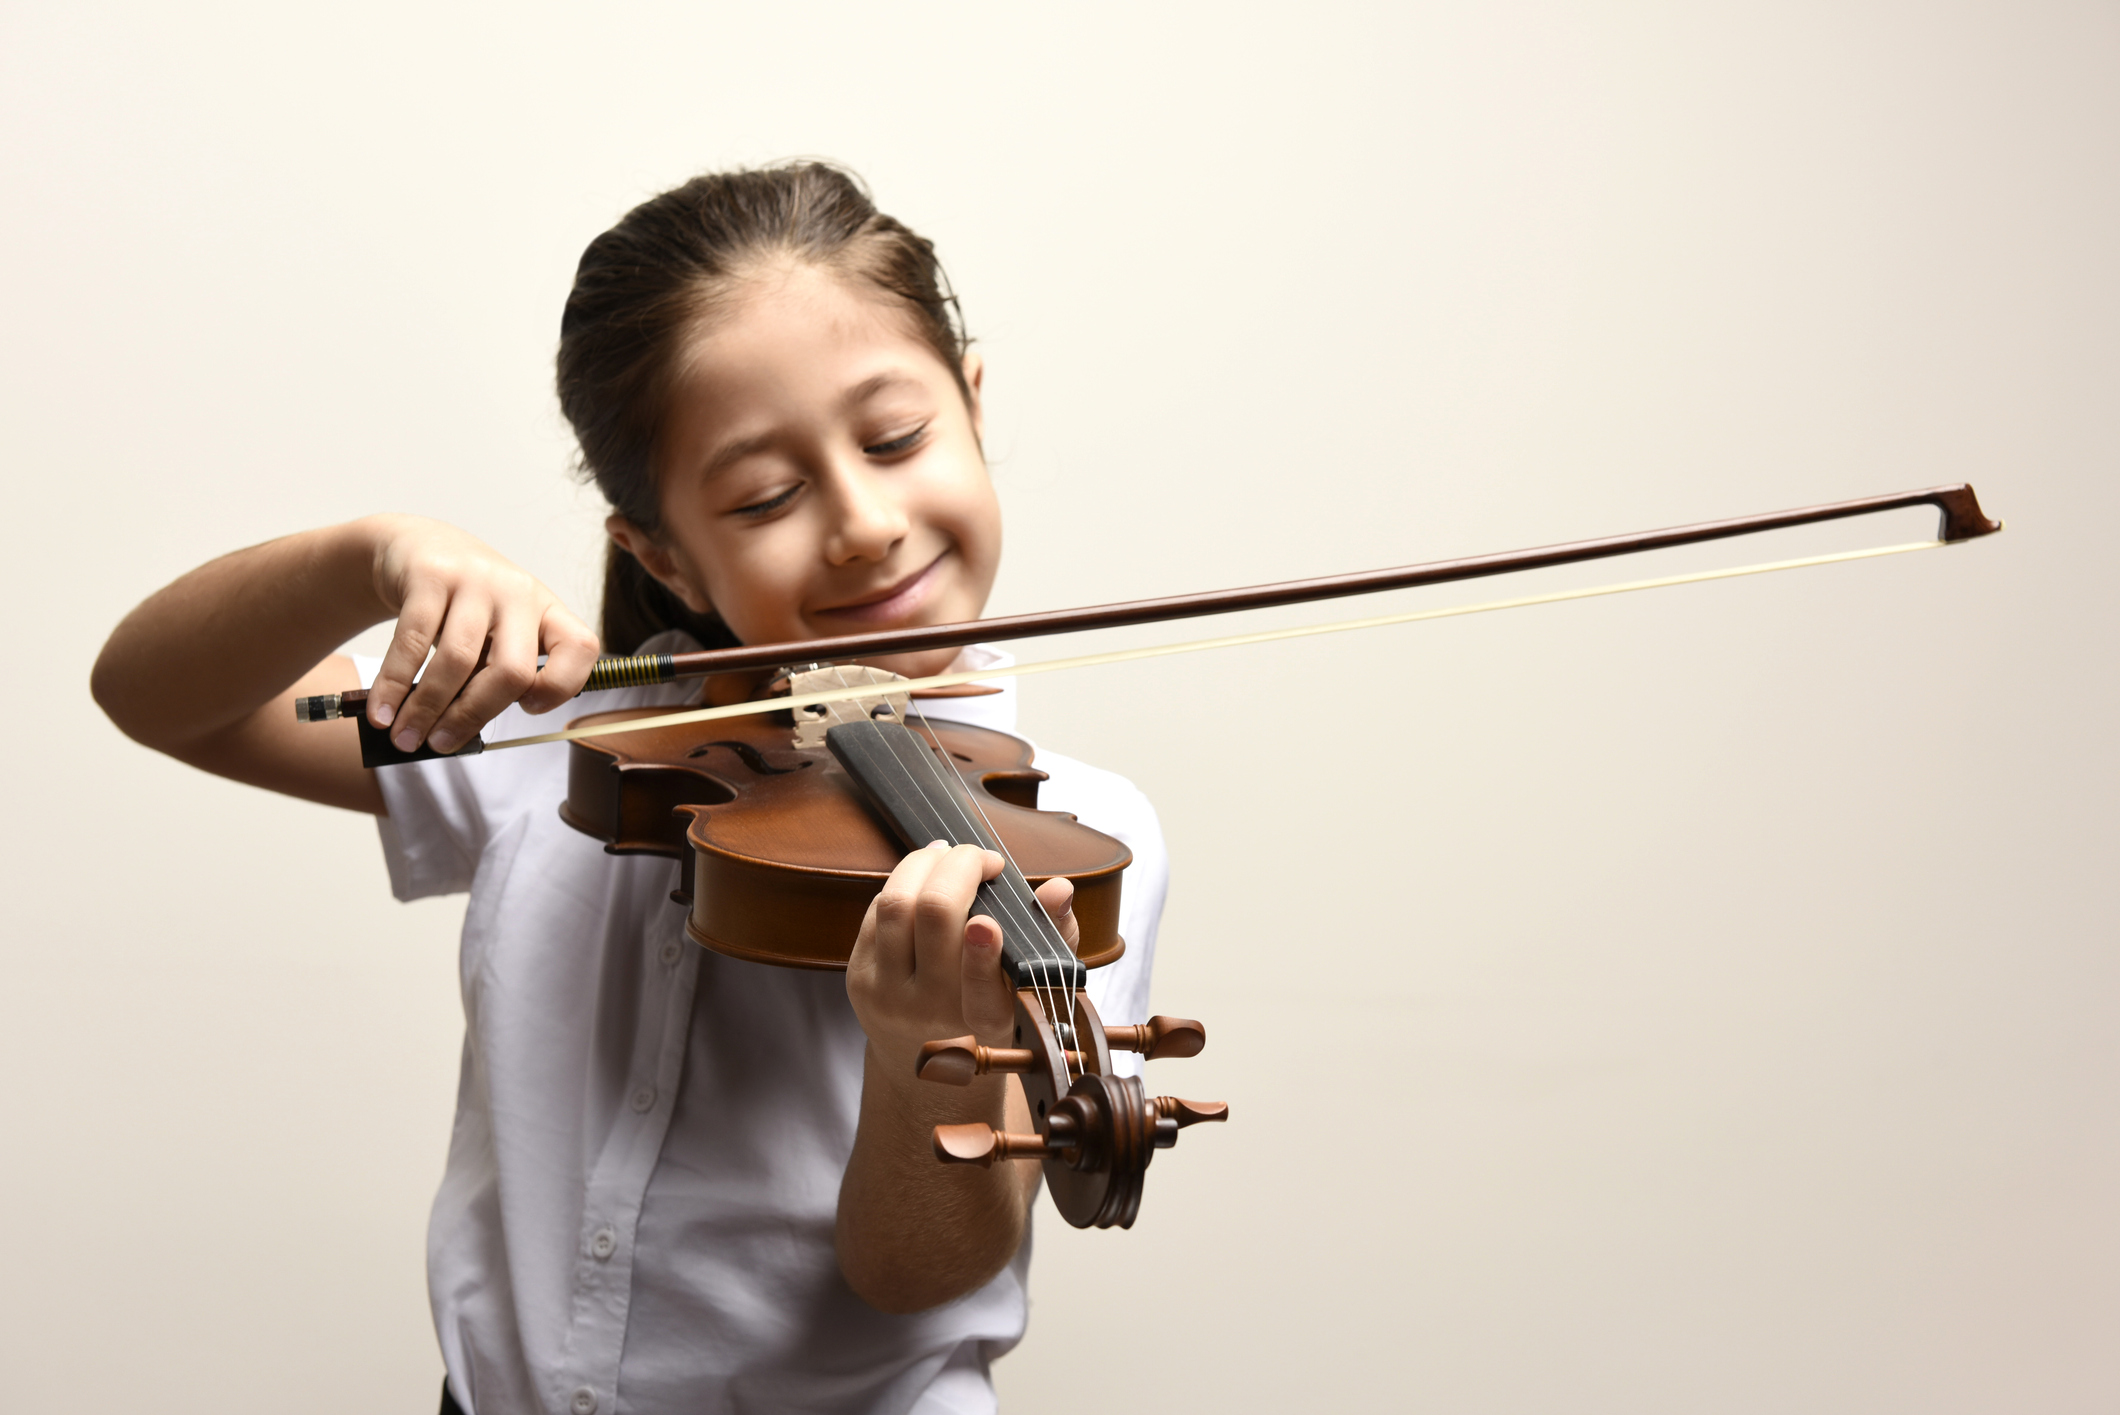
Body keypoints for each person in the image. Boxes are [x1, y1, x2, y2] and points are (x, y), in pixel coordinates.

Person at [90, 163, 1167, 1415]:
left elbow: (916, 1275)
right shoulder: (565, 743)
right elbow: (160, 696)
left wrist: (926, 1049)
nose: (864, 522)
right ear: (660, 552)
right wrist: (370, 557)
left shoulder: (1079, 848)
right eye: (764, 495)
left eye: (895, 438)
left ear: (972, 406)